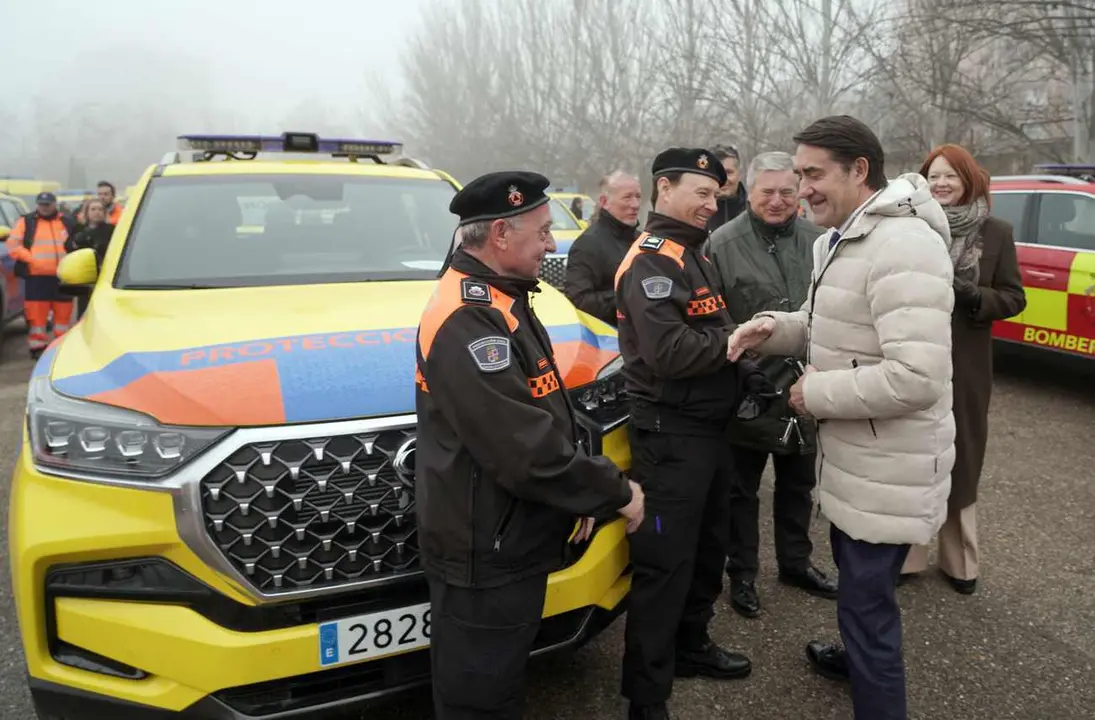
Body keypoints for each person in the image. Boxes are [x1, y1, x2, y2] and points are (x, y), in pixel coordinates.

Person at [728, 115, 956, 720]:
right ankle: (856, 656)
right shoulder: (841, 237)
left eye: (812, 174)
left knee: (866, 605)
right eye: (798, 175)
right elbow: (823, 323)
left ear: (859, 170)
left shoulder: (904, 245)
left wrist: (814, 394)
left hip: (887, 468)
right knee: (862, 592)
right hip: (858, 462)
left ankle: (875, 686)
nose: (800, 189)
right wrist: (772, 330)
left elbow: (916, 377)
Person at [415, 170, 646, 720]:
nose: (551, 242)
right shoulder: (469, 319)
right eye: (542, 231)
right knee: (481, 700)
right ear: (500, 233)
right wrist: (613, 493)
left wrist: (576, 496)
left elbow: (548, 411)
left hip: (505, 534)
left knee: (498, 682)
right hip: (486, 551)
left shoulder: (503, 298)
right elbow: (526, 450)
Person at [617, 147, 766, 720]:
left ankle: (691, 645)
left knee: (709, 547)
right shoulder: (652, 259)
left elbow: (711, 323)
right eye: (701, 192)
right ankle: (647, 697)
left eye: (717, 192)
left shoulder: (691, 253)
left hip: (711, 430)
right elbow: (670, 352)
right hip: (670, 436)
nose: (713, 202)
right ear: (664, 189)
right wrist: (739, 345)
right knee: (663, 562)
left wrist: (747, 369)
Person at [703, 151, 837, 619]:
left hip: (808, 385)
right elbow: (713, 321)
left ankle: (796, 562)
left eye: (786, 191)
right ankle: (741, 572)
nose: (778, 201)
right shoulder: (721, 243)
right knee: (741, 490)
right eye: (767, 192)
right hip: (750, 390)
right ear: (750, 193)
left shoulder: (822, 240)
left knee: (799, 483)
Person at [899, 143, 1026, 594]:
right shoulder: (910, 227)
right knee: (914, 453)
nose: (941, 184)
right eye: (933, 176)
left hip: (967, 366)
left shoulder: (996, 233)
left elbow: (1014, 297)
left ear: (969, 179)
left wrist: (977, 298)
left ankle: (960, 563)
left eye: (950, 175)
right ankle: (908, 557)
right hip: (913, 356)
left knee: (964, 457)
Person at [563, 170, 642, 325]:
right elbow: (579, 301)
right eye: (627, 197)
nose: (635, 205)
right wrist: (631, 298)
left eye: (638, 197)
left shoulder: (643, 239)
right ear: (604, 202)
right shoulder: (587, 245)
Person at [5, 192, 76, 359]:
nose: (44, 208)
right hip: (36, 277)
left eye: (48, 204)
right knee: (37, 316)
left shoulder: (67, 222)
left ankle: (61, 346)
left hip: (63, 277)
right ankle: (37, 347)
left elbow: (76, 244)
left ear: (54, 204)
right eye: (41, 204)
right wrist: (31, 259)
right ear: (37, 205)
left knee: (63, 315)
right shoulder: (26, 221)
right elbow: (13, 245)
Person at [705, 144, 746, 233]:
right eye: (716, 172)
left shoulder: (755, 211)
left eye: (729, 172)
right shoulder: (693, 211)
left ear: (740, 174)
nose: (723, 179)